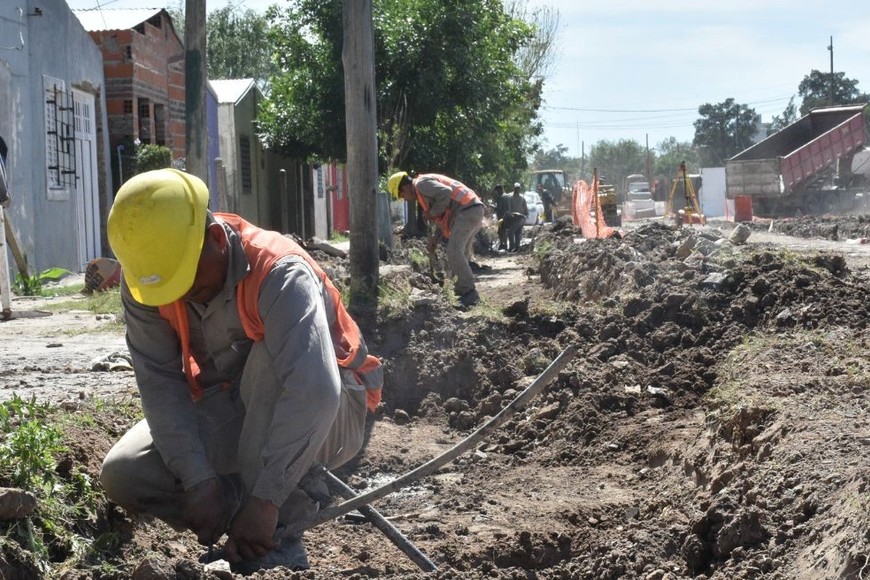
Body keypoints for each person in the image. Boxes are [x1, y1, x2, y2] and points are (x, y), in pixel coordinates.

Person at [99, 168, 383, 574]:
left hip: (333, 412)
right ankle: (241, 516)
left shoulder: (279, 272)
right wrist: (197, 479)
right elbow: (159, 384)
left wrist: (267, 499)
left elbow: (315, 390)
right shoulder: (149, 280)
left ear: (215, 240)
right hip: (235, 403)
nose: (176, 296)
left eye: (187, 282)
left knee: (270, 361)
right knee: (126, 472)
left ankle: (277, 526)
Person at [388, 171, 484, 307]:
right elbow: (445, 212)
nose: (405, 198)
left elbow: (445, 193)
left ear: (404, 187)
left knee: (454, 251)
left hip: (467, 210)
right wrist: (435, 237)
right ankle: (464, 294)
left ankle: (469, 294)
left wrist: (431, 213)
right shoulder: (423, 189)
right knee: (461, 255)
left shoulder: (421, 185)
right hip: (472, 209)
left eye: (402, 195)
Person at [504, 182, 528, 252]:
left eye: (518, 188)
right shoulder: (510, 197)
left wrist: (526, 215)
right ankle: (517, 247)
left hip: (520, 218)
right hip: (513, 217)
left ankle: (512, 247)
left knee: (511, 232)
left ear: (520, 189)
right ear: (514, 189)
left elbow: (525, 208)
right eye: (516, 188)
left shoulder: (522, 198)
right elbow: (509, 208)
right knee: (516, 233)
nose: (517, 190)